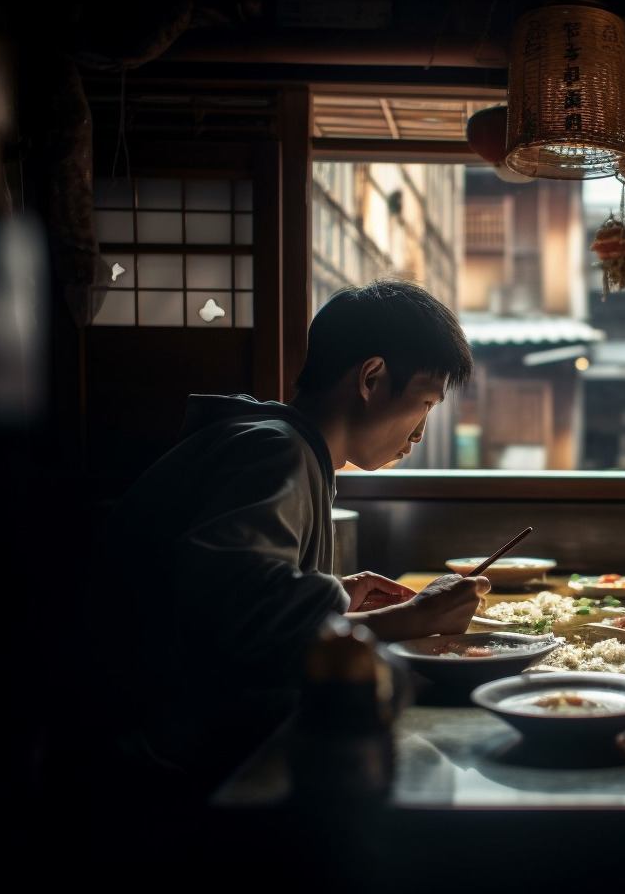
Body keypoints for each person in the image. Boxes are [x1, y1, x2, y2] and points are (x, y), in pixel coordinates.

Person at [65, 279, 490, 813]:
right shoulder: (274, 450)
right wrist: (415, 618)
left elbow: (227, 592)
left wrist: (331, 594)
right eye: (425, 403)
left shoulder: (278, 444)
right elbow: (235, 622)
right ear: (372, 378)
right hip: (156, 768)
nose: (421, 433)